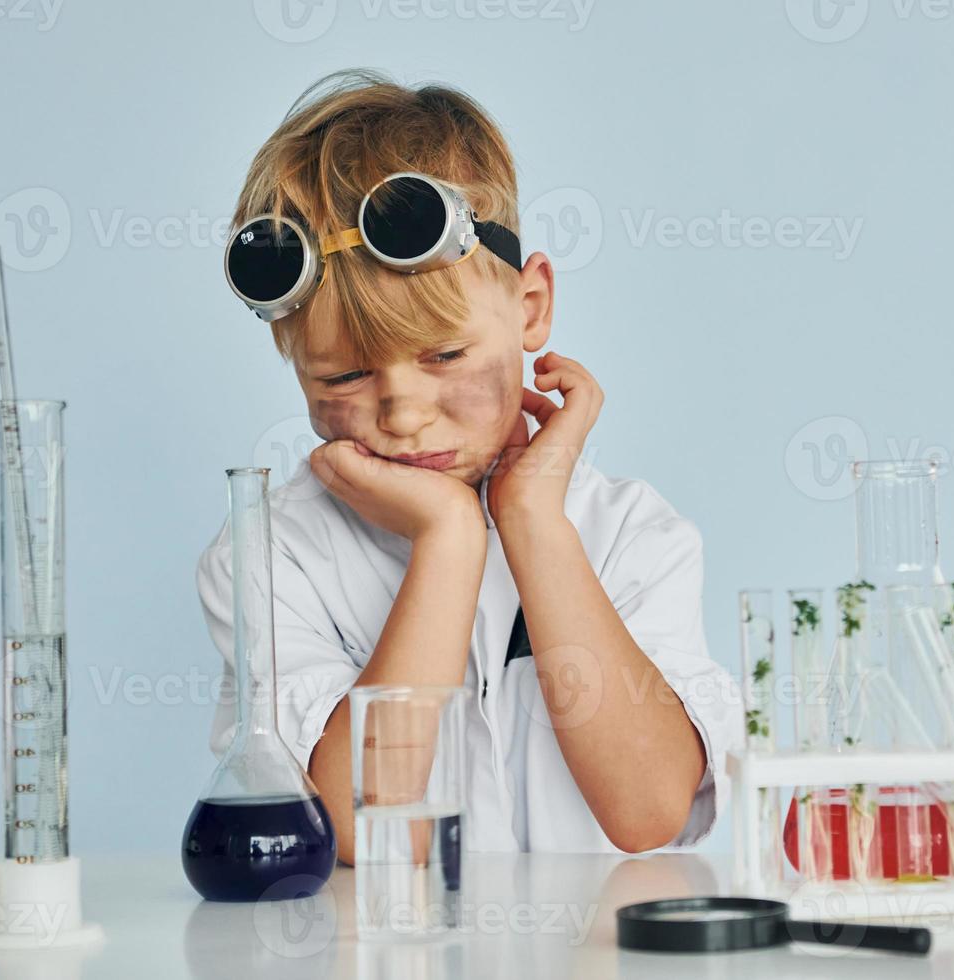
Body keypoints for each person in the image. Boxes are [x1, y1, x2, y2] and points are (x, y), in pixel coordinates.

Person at [197, 69, 741, 863]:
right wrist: (449, 540)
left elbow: (649, 810)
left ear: (531, 309)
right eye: (344, 376)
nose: (405, 413)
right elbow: (357, 833)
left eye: (445, 354)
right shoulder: (272, 555)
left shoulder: (628, 533)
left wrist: (530, 523)